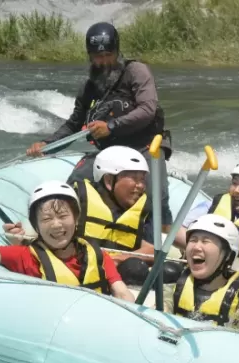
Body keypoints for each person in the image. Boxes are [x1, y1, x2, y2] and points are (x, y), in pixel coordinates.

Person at [25, 21, 173, 231]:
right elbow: (74, 124)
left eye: (107, 56)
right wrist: (46, 144)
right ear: (90, 56)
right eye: (97, 57)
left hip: (146, 146)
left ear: (116, 51)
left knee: (156, 196)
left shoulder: (136, 71)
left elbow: (148, 110)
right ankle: (65, 231)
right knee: (77, 179)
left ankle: (164, 233)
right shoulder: (89, 86)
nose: (103, 61)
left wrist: (110, 127)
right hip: (111, 153)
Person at [5, 147, 183, 286]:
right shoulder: (78, 199)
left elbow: (151, 248)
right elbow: (52, 229)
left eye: (142, 179)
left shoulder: (143, 207)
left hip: (118, 273)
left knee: (159, 270)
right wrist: (21, 239)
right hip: (77, 266)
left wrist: (116, 258)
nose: (140, 186)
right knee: (134, 267)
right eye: (133, 179)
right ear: (108, 180)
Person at [0, 181, 135, 302]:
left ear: (76, 219)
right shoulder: (26, 257)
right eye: (46, 219)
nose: (56, 225)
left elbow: (121, 292)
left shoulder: (98, 256)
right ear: (36, 226)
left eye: (63, 216)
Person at [163, 214, 239, 343]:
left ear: (227, 255)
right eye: (193, 240)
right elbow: (164, 306)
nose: (196, 247)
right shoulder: (176, 279)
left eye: (205, 241)